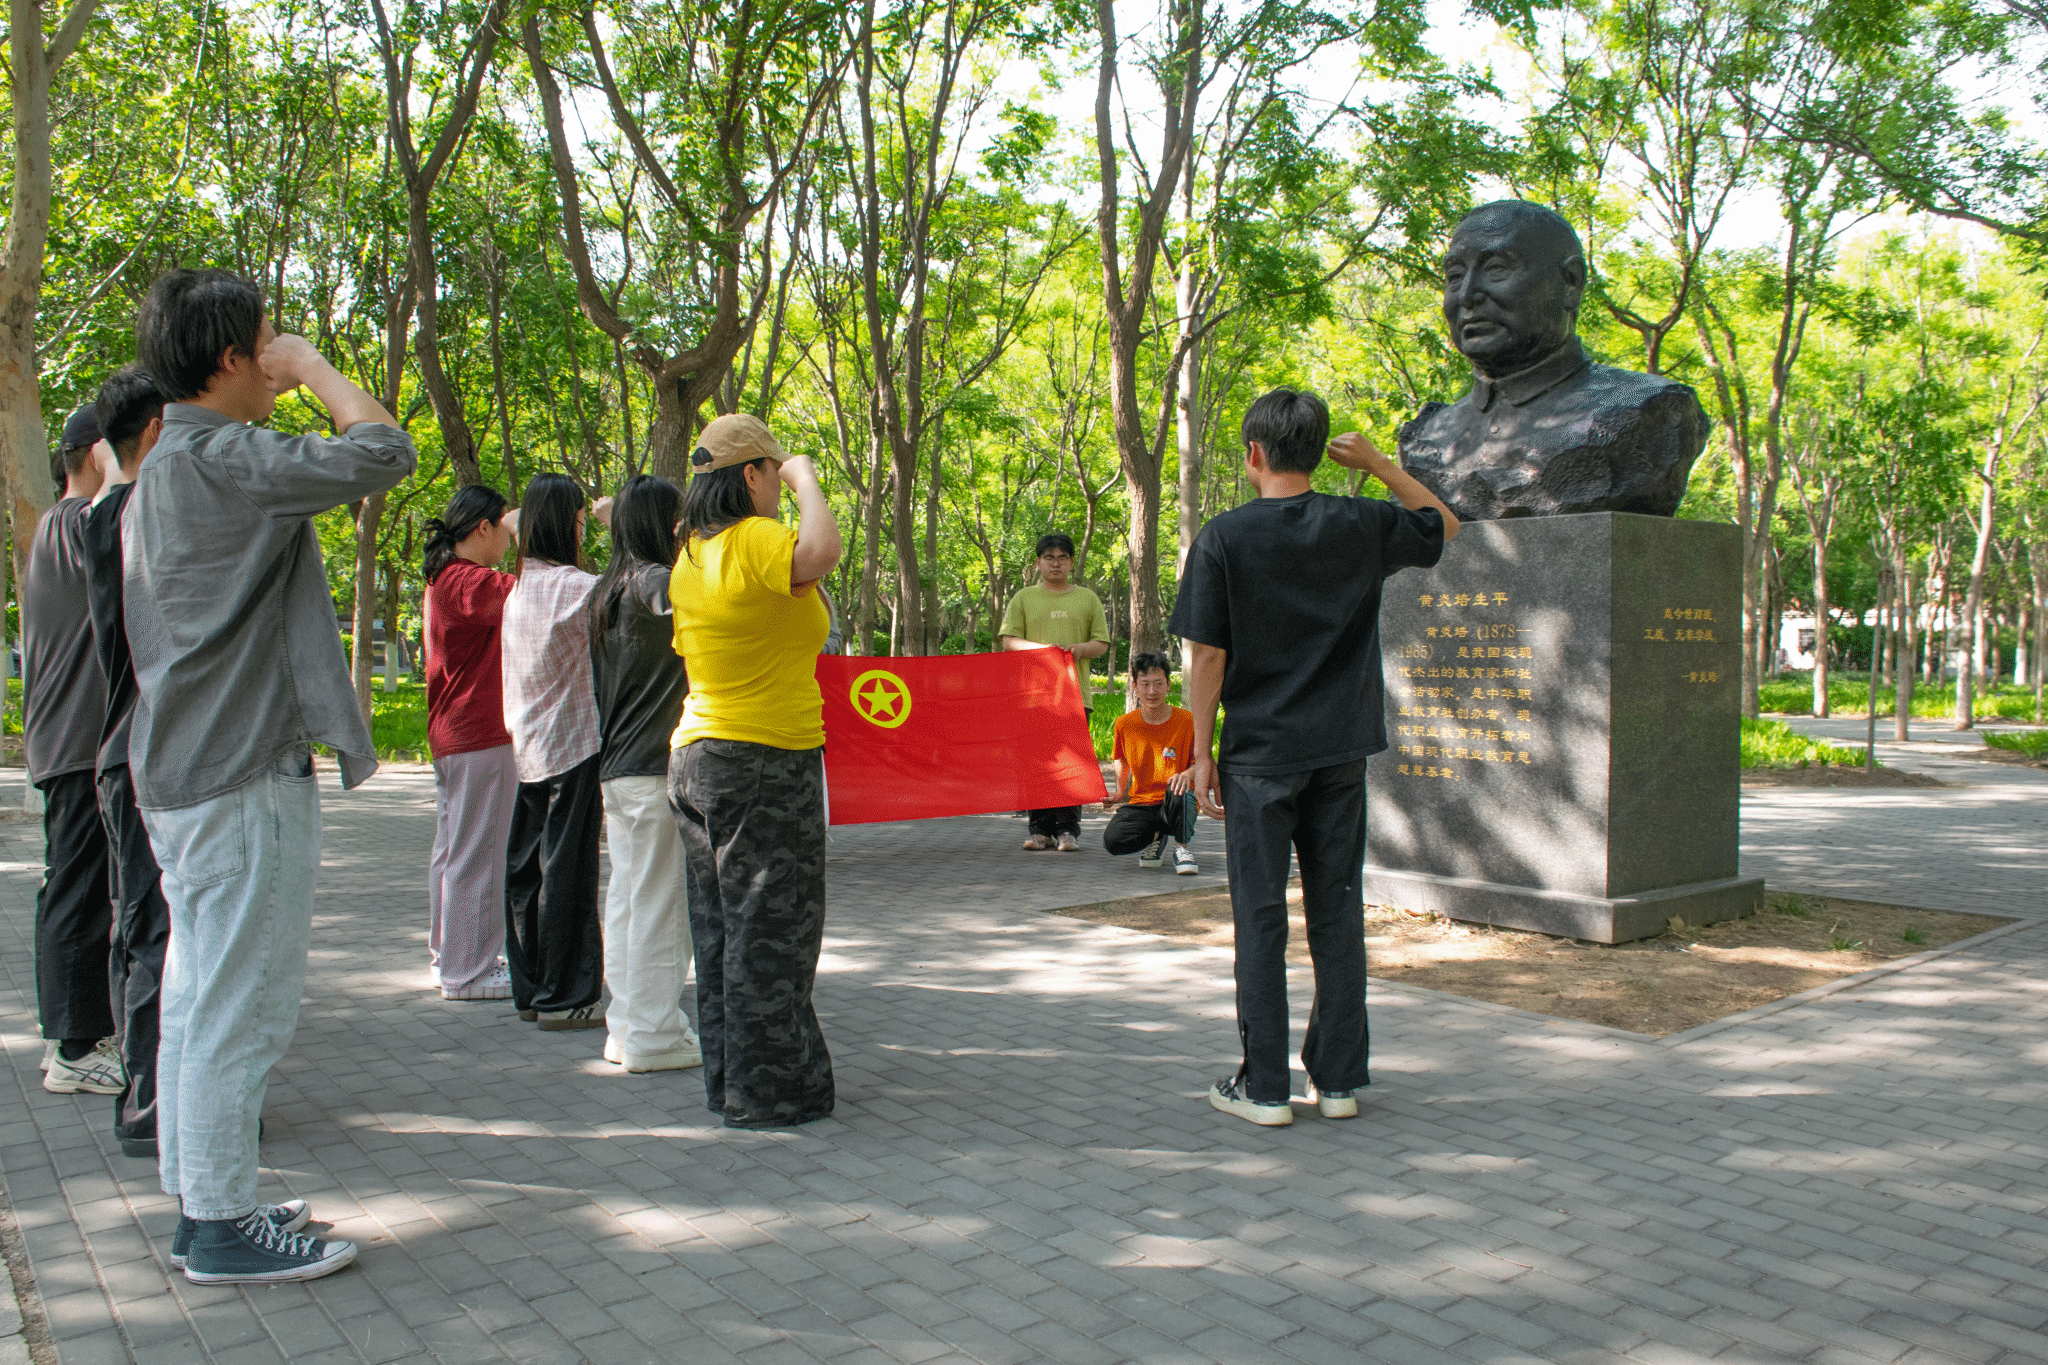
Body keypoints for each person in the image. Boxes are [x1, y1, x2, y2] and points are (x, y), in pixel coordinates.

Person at [125, 267, 415, 1281]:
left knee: (200, 994)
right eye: (267, 343)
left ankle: (205, 1195)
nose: (278, 358)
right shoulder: (220, 456)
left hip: (186, 767)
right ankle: (218, 1222)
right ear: (228, 358)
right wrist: (321, 370)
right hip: (241, 767)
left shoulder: (165, 464)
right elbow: (384, 451)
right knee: (242, 1004)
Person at [1170, 388, 1458, 1128]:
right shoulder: (1361, 522)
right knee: (1337, 910)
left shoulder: (1224, 537)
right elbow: (1445, 524)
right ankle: (1338, 1081)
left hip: (1260, 757)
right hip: (1340, 752)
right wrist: (1379, 464)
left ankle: (1265, 1086)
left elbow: (1208, 656)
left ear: (1254, 453)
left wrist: (1202, 753)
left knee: (1260, 915)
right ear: (1320, 450)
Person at [667, 413, 841, 1128]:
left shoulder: (691, 553)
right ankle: (773, 1092)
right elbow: (821, 550)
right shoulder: (752, 539)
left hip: (698, 757)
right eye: (773, 470)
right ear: (752, 475)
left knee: (720, 929)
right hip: (764, 756)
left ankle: (730, 1081)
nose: (779, 481)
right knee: (775, 927)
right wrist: (807, 477)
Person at [82, 367, 170, 1157]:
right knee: (152, 931)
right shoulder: (141, 515)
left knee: (133, 926)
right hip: (145, 751)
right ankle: (149, 1103)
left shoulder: (98, 515)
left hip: (119, 751)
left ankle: (142, 1091)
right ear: (155, 430)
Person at [591, 474, 701, 1074]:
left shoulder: (607, 589)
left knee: (629, 901)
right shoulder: (658, 583)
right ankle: (655, 1036)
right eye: (679, 518)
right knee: (659, 905)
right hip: (654, 767)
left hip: (618, 769)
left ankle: (628, 1027)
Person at [24, 404, 119, 1097]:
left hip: (69, 739)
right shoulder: (77, 522)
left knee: (71, 885)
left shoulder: (58, 527)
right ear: (92, 453)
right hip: (77, 741)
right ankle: (76, 1050)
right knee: (79, 892)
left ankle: (66, 1033)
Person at [500, 473, 611, 1030]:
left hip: (528, 747)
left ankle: (531, 989)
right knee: (568, 870)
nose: (583, 530)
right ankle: (565, 995)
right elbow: (639, 595)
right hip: (574, 746)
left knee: (526, 870)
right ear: (566, 525)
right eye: (579, 521)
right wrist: (618, 521)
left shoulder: (519, 589)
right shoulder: (578, 588)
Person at [422, 485, 520, 1002]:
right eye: (504, 527)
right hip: (480, 731)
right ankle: (470, 971)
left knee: (454, 851)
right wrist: (531, 534)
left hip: (456, 733)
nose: (507, 539)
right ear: (484, 527)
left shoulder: (446, 577)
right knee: (479, 852)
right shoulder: (470, 580)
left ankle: (451, 956)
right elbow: (534, 595)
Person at [998, 532, 1110, 851]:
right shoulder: (1023, 598)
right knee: (1037, 765)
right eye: (1049, 558)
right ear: (1038, 563)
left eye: (1062, 558)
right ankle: (1039, 831)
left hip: (1076, 696)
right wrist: (1042, 651)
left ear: (1071, 562)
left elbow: (1101, 643)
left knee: (1072, 765)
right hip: (1034, 697)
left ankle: (1068, 831)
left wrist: (1080, 649)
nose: (1055, 563)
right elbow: (1009, 640)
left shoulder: (1087, 598)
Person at [1101, 653, 1200, 876]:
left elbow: (1201, 762)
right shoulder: (1125, 724)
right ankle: (1156, 836)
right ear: (1135, 686)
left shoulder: (1187, 721)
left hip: (1176, 799)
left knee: (1179, 788)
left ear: (1168, 685)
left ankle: (1182, 849)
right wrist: (1119, 792)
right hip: (1142, 802)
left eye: (1158, 683)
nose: (1152, 691)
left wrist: (1186, 774)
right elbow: (1120, 758)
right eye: (1145, 684)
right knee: (1113, 841)